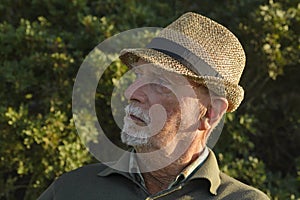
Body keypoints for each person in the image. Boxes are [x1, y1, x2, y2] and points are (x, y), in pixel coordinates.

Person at [38, 12, 270, 199]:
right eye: (138, 77)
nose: (132, 94)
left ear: (211, 112)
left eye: (160, 82)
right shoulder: (72, 190)